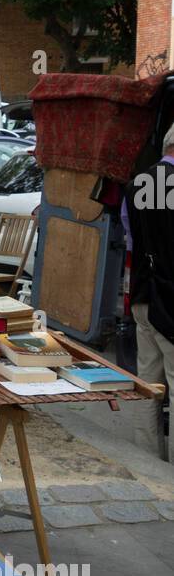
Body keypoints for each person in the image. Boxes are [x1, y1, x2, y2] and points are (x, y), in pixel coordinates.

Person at [124, 120, 174, 463]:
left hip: (143, 295)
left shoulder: (136, 185)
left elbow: (131, 244)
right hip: (172, 302)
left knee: (147, 384)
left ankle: (148, 464)